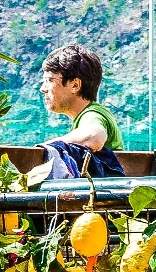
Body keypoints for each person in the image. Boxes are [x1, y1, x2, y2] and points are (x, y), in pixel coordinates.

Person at [39, 45, 124, 177]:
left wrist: (45, 147)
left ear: (75, 85)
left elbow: (94, 136)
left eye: (49, 80)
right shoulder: (88, 115)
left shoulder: (92, 115)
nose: (43, 89)